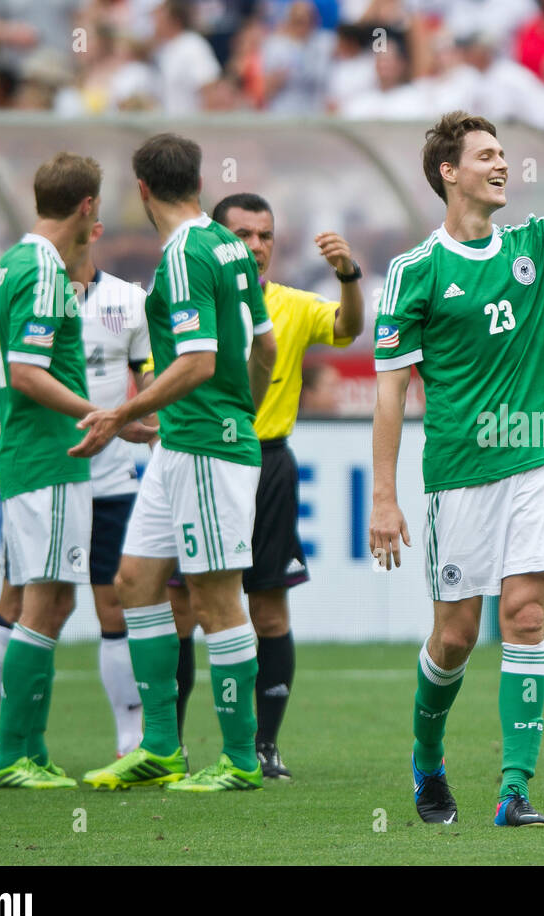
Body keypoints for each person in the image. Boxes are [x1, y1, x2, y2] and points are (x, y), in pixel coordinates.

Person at [369, 46, 544, 828]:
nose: (502, 166)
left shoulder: (540, 245)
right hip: (460, 471)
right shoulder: (416, 271)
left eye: (504, 155)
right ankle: (428, 762)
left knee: (525, 616)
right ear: (448, 173)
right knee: (455, 636)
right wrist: (385, 498)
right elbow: (390, 391)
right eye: (487, 157)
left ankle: (515, 788)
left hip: (537, 456)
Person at [72, 133, 278, 793]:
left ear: (141, 191)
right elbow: (263, 346)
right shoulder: (227, 245)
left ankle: (241, 760)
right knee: (136, 581)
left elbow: (196, 362)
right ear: (195, 179)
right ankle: (161, 747)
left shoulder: (190, 251)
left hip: (208, 451)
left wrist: (124, 413)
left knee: (217, 599)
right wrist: (228, 406)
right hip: (183, 444)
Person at [165, 191, 364, 780]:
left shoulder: (294, 306)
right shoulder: (194, 299)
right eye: (243, 235)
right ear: (218, 239)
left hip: (268, 463)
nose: (256, 247)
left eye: (266, 236)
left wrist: (348, 275)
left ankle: (263, 747)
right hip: (203, 457)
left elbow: (349, 327)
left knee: (268, 610)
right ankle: (168, 746)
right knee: (183, 608)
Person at [0, 220, 154, 775]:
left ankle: (129, 741)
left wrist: (150, 425)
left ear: (95, 227)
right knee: (21, 599)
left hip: (109, 478)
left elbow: (149, 382)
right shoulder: (32, 291)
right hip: (51, 472)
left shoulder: (128, 302)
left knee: (113, 603)